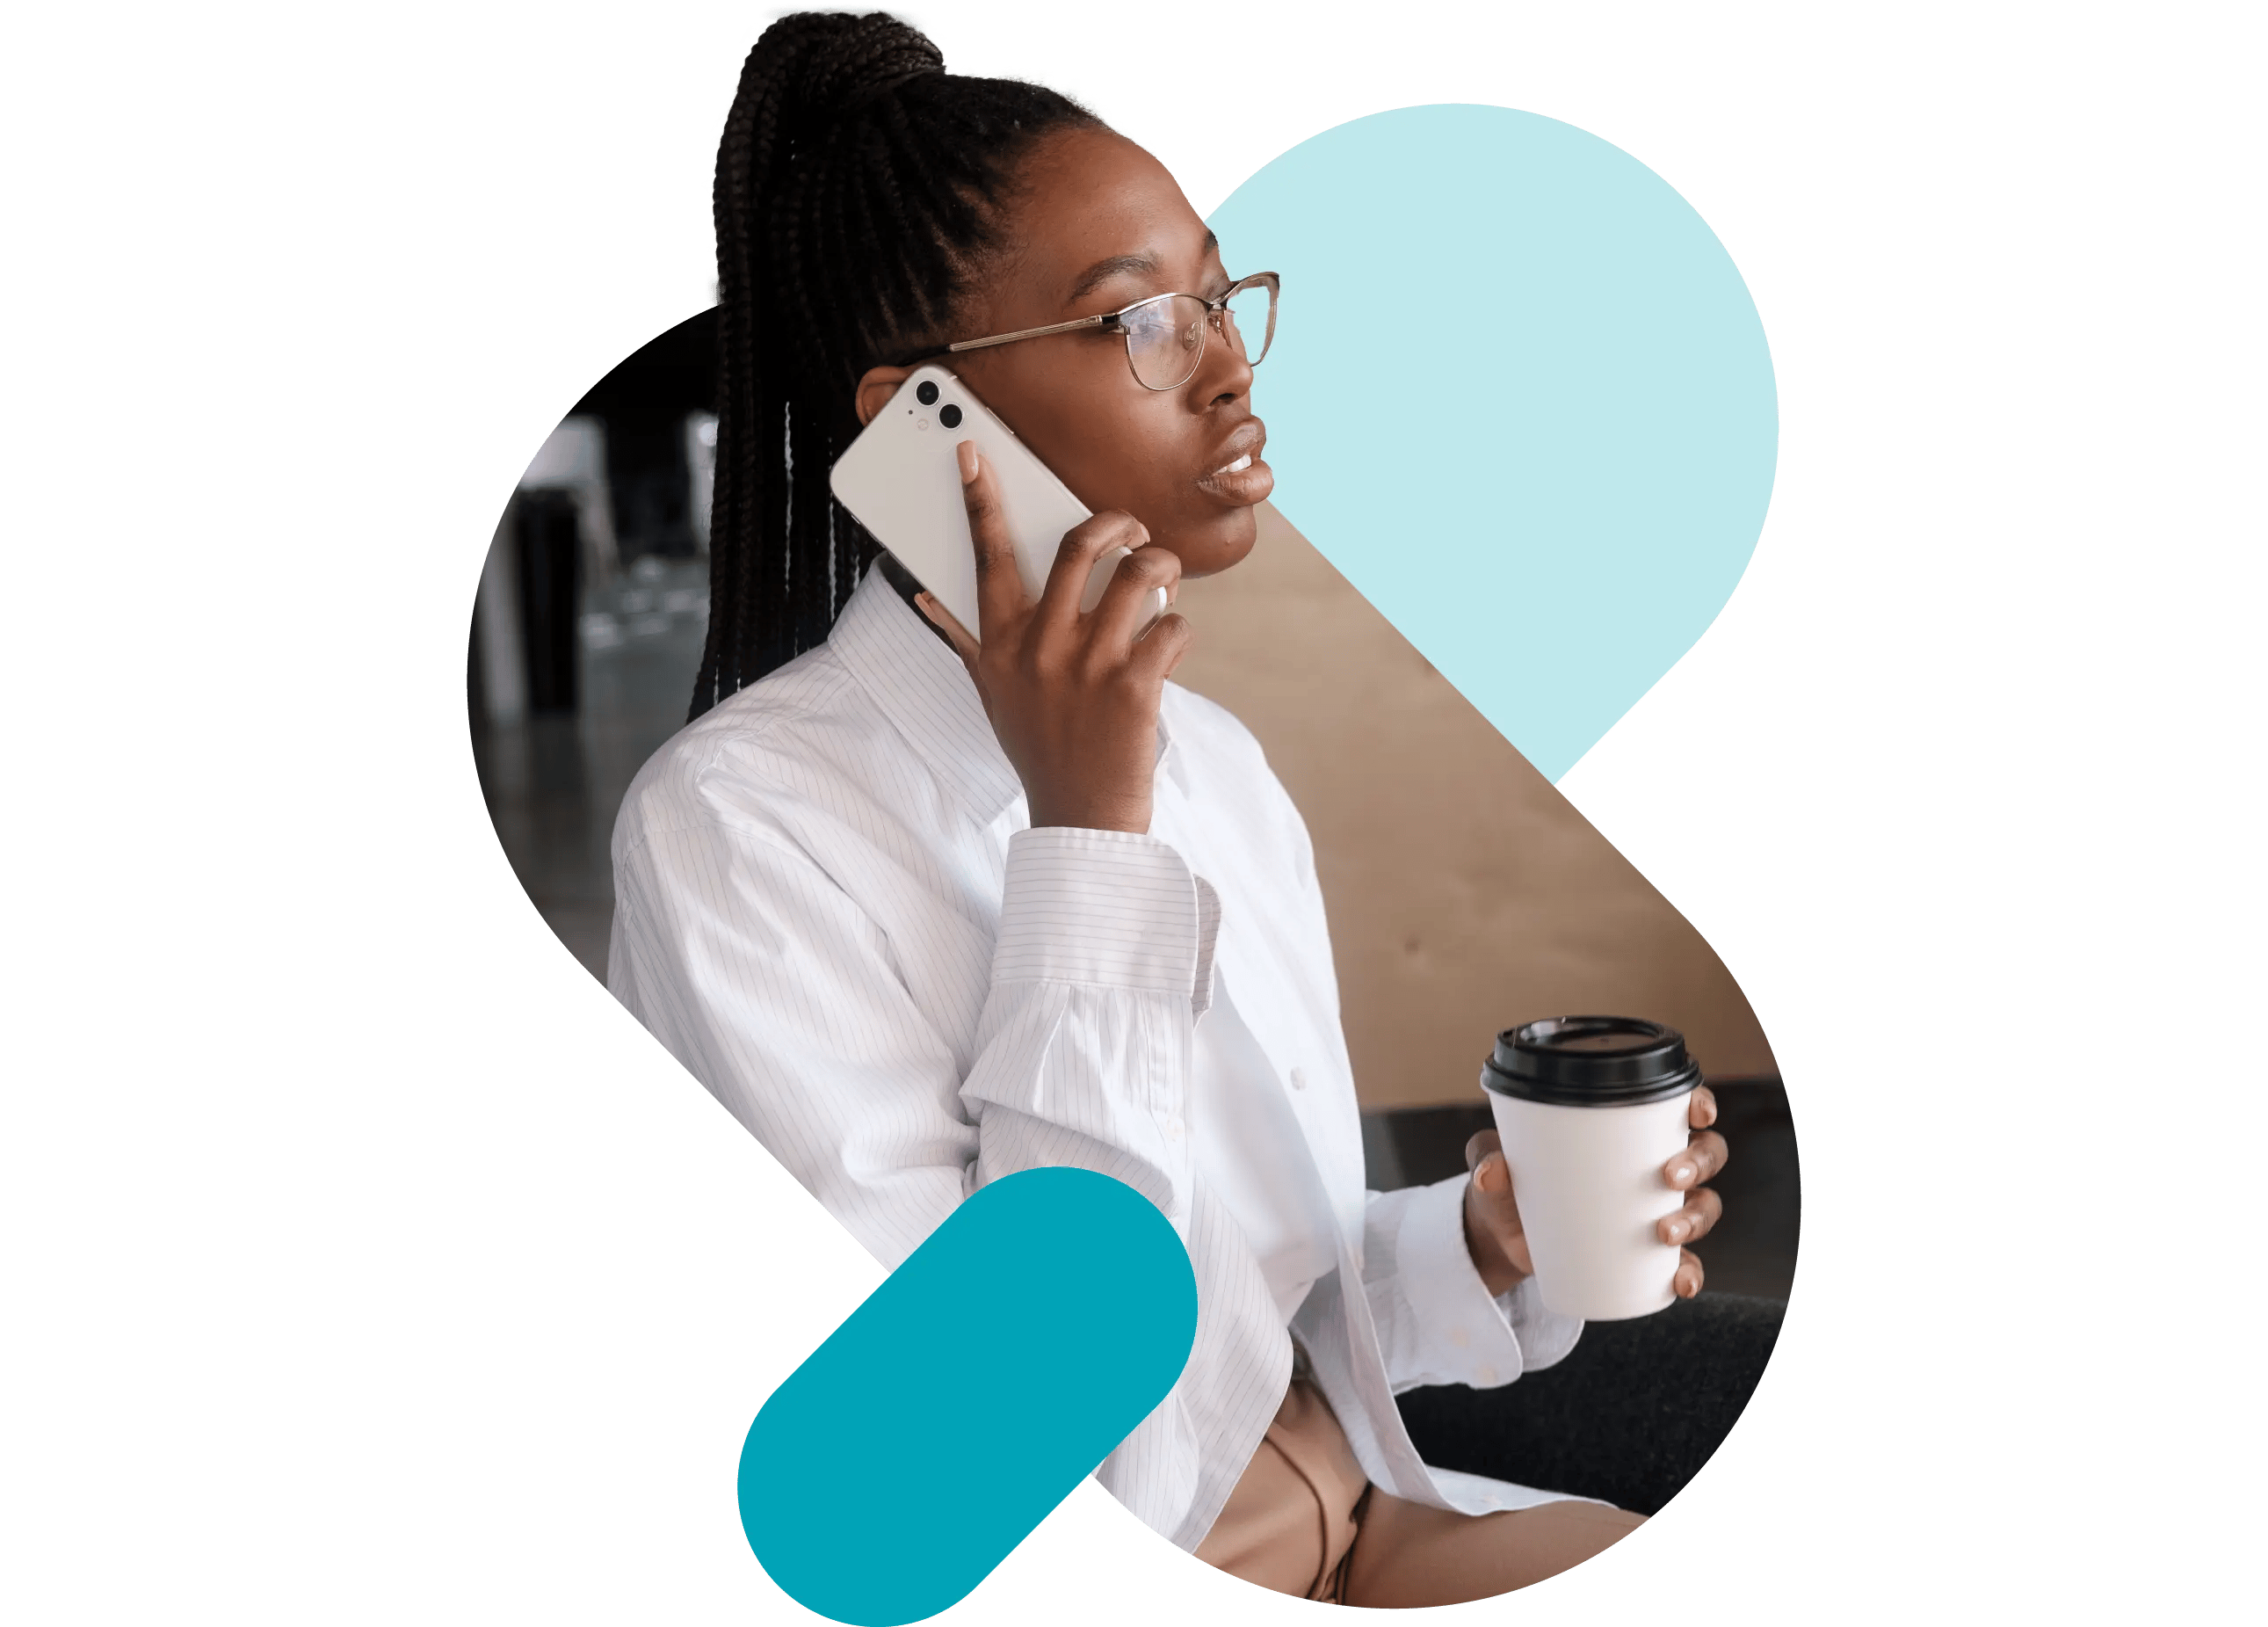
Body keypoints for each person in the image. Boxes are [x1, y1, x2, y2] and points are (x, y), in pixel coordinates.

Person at [607, 8, 1734, 1606]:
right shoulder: (738, 833)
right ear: (924, 425)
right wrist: (1084, 843)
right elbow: (999, 1466)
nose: (1226, 366)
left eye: (1217, 293)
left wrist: (1481, 1243)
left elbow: (1265, 1320)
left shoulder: (1212, 761)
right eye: (1141, 320)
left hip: (1363, 1510)